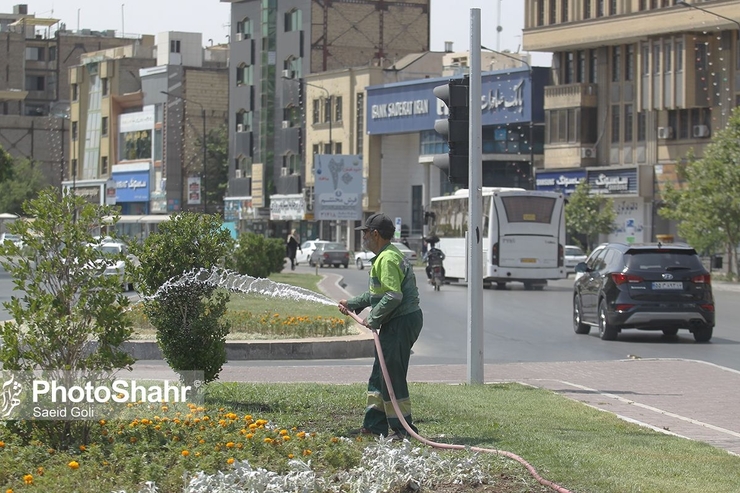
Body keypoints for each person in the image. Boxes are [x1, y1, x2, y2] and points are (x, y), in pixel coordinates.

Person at [338, 213, 423, 439]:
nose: (363, 238)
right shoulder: (387, 256)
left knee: (391, 376)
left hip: (401, 322)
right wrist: (353, 303)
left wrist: (373, 318)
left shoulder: (387, 259)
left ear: (375, 234)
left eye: (365, 234)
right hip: (397, 321)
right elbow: (378, 293)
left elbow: (394, 296)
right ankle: (374, 426)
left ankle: (403, 430)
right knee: (379, 374)